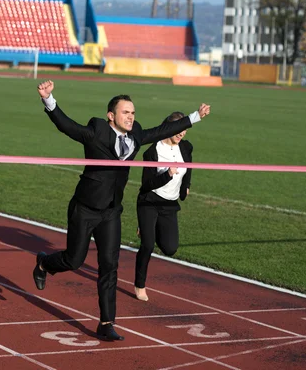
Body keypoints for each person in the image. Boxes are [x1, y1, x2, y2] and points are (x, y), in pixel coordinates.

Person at [32, 80, 210, 341]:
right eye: (125, 112)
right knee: (74, 260)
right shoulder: (96, 130)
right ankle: (44, 263)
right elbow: (67, 126)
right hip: (86, 207)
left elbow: (162, 130)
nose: (131, 116)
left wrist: (194, 117)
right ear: (111, 116)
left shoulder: (136, 134)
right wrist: (49, 100)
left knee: (109, 266)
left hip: (112, 211)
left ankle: (106, 323)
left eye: (133, 112)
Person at [134, 112, 193, 302]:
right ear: (168, 128)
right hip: (149, 201)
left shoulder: (186, 147)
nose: (181, 133)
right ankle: (139, 285)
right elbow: (147, 184)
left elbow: (188, 168)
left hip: (169, 204)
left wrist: (186, 187)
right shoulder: (152, 151)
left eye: (184, 129)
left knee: (170, 248)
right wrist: (167, 174)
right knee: (148, 245)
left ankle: (147, 228)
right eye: (178, 129)